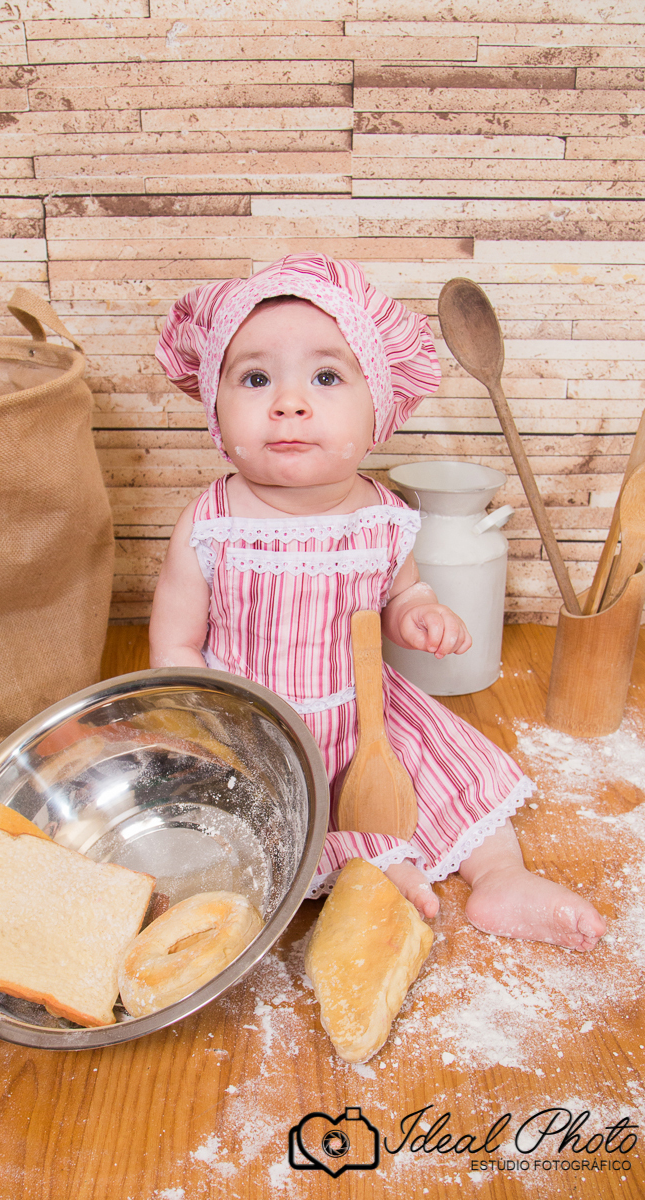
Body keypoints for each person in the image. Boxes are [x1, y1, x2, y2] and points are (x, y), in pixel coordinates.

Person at [149, 255, 606, 952]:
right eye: (255, 378)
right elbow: (175, 644)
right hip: (255, 732)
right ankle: (368, 868)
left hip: (363, 714)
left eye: (326, 377)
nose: (290, 402)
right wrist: (209, 726)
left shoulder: (383, 516)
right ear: (215, 405)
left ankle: (500, 877)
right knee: (252, 825)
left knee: (458, 780)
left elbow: (401, 590)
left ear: (380, 409)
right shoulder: (211, 523)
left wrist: (419, 611)